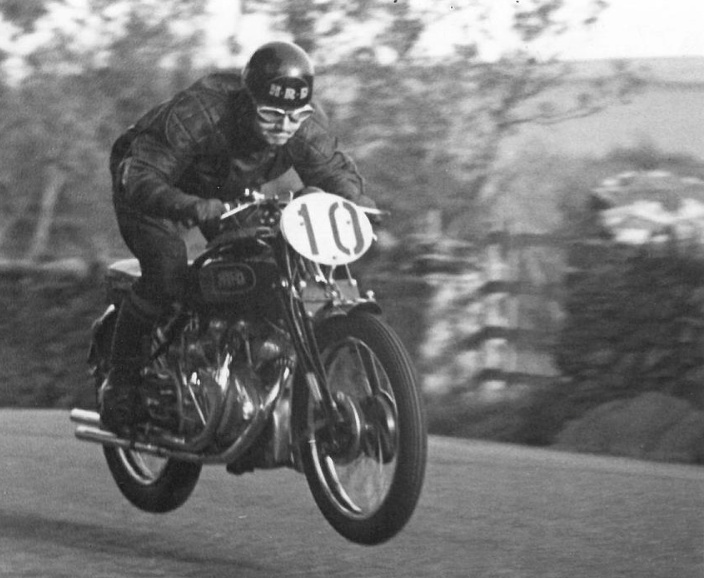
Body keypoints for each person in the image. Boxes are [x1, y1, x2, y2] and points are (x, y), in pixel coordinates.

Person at [101, 40, 375, 435]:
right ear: (248, 101)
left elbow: (333, 171)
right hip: (149, 179)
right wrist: (188, 205)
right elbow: (140, 175)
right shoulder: (200, 112)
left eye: (296, 116)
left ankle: (238, 374)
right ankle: (121, 382)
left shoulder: (303, 126)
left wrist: (358, 205)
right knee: (166, 269)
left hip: (225, 189)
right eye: (270, 114)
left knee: (260, 261)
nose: (284, 126)